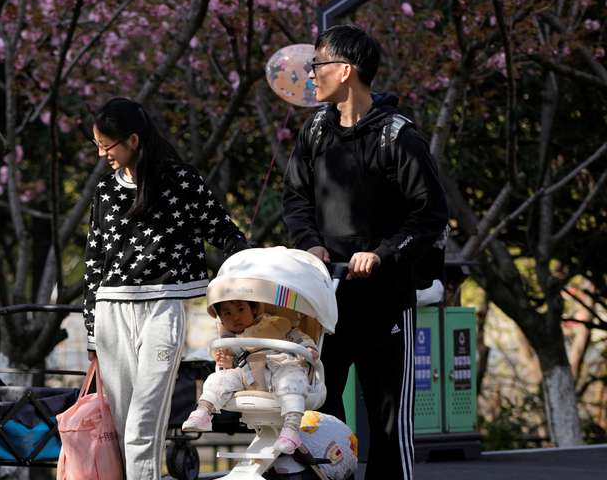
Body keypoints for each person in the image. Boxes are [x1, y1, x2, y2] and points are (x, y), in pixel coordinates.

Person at [282, 25, 448, 480]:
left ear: (346, 69)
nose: (311, 74)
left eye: (318, 64)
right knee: (320, 416)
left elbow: (430, 216)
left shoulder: (400, 138)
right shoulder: (315, 130)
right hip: (325, 300)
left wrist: (383, 253)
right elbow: (295, 199)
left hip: (385, 300)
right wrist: (310, 244)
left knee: (389, 422)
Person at [83, 97, 246, 480]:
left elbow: (223, 231)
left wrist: (256, 263)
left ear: (134, 140)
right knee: (122, 425)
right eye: (97, 145)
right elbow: (95, 260)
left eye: (107, 145)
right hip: (112, 311)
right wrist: (91, 331)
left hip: (168, 306)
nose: (101, 153)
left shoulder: (182, 182)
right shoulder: (106, 190)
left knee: (143, 419)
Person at [180, 300, 319, 453]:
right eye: (227, 313)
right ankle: (203, 412)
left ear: (253, 309)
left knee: (292, 378)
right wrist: (228, 362)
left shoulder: (275, 324)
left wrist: (308, 348)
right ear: (220, 318)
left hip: (280, 366)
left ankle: (291, 428)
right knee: (218, 379)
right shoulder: (229, 340)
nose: (236, 317)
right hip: (247, 375)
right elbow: (229, 365)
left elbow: (298, 337)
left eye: (241, 309)